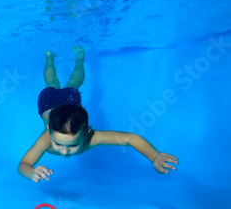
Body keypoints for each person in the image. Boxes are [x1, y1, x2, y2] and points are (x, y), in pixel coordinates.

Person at [17, 47, 179, 182]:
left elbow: (130, 139)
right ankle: (49, 58)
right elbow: (23, 165)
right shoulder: (46, 139)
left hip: (67, 101)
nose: (64, 152)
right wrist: (32, 172)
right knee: (52, 83)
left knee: (73, 83)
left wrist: (154, 156)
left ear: (86, 132)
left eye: (73, 145)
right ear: (49, 129)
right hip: (48, 102)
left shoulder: (92, 136)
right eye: (58, 143)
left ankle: (79, 60)